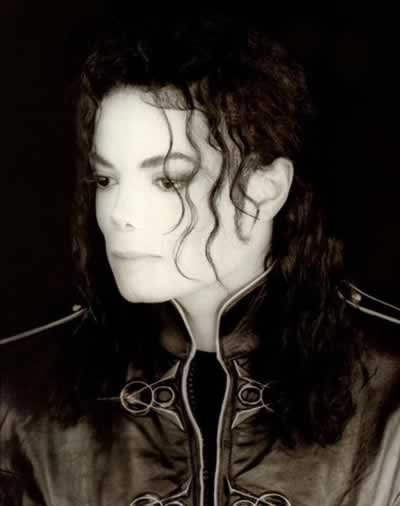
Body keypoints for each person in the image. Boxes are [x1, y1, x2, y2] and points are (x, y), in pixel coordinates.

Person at [1, 14, 399, 506]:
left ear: (264, 188)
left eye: (169, 180)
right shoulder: (17, 399)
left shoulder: (391, 392)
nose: (120, 213)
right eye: (106, 179)